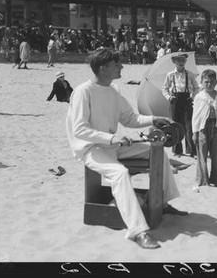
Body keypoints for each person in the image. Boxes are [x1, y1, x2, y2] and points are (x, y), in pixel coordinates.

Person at [66, 48, 187, 250]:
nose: (121, 66)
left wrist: (153, 119)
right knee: (120, 174)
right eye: (117, 64)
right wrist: (112, 138)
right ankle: (138, 231)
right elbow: (79, 129)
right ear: (103, 68)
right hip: (91, 149)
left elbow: (130, 119)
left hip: (112, 145)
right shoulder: (83, 91)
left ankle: (162, 203)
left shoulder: (113, 90)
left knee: (154, 150)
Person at [192, 69, 217, 190]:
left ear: (216, 82)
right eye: (206, 82)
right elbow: (196, 116)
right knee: (202, 155)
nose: (209, 84)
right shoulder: (199, 97)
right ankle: (203, 179)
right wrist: (195, 132)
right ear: (202, 83)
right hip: (203, 128)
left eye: (212, 82)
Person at [162, 52, 199, 157]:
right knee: (176, 125)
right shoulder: (170, 75)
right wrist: (169, 97)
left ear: (185, 61)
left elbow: (196, 87)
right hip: (175, 100)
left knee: (189, 125)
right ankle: (178, 150)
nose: (181, 62)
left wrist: (192, 96)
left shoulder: (189, 74)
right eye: (178, 60)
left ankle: (191, 150)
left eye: (183, 60)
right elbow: (164, 88)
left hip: (186, 99)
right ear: (174, 62)